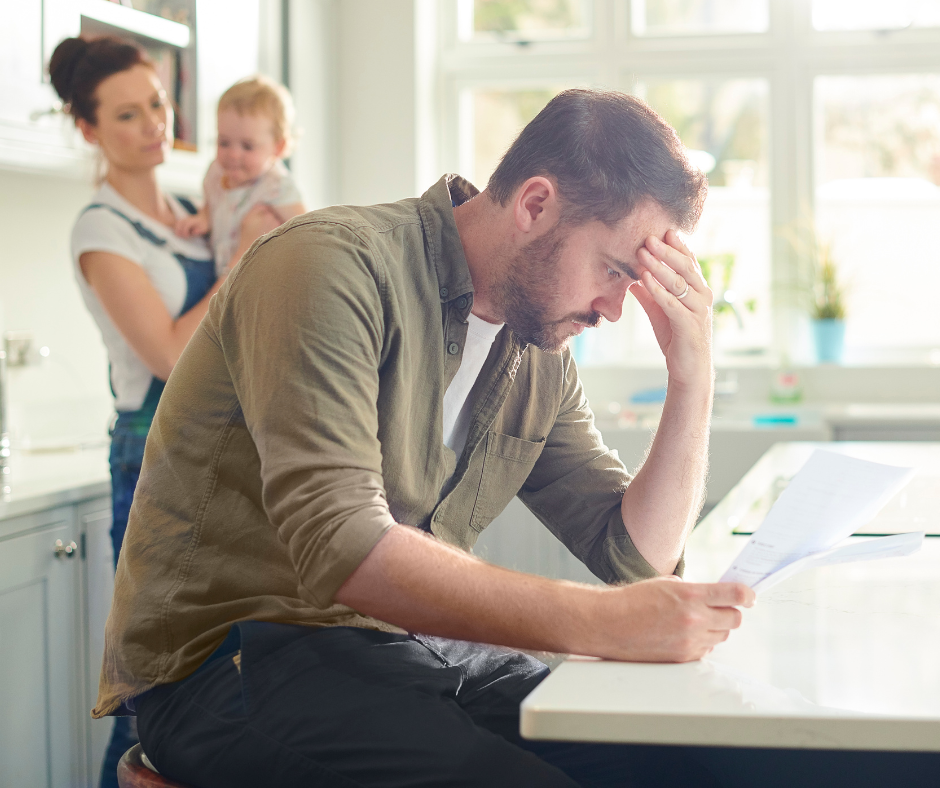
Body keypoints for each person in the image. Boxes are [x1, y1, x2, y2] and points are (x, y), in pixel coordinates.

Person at [92, 88, 754, 787]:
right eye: (615, 270)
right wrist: (601, 621)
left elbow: (636, 558)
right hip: (231, 659)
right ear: (535, 205)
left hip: (402, 651)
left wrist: (692, 375)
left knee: (670, 763)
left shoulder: (538, 353)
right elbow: (342, 542)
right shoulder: (327, 265)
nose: (615, 309)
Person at [48, 35, 283, 788]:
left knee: (222, 683)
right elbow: (171, 354)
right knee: (149, 692)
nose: (154, 123)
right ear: (88, 129)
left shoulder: (191, 210)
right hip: (152, 453)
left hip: (223, 449)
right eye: (126, 114)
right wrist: (244, 256)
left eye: (156, 103)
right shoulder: (101, 229)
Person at [175, 75, 306, 275]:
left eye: (247, 146)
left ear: (278, 147)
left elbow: (306, 230)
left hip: (264, 277)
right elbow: (211, 203)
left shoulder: (277, 187)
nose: (233, 154)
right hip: (225, 275)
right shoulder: (216, 173)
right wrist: (204, 219)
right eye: (224, 142)